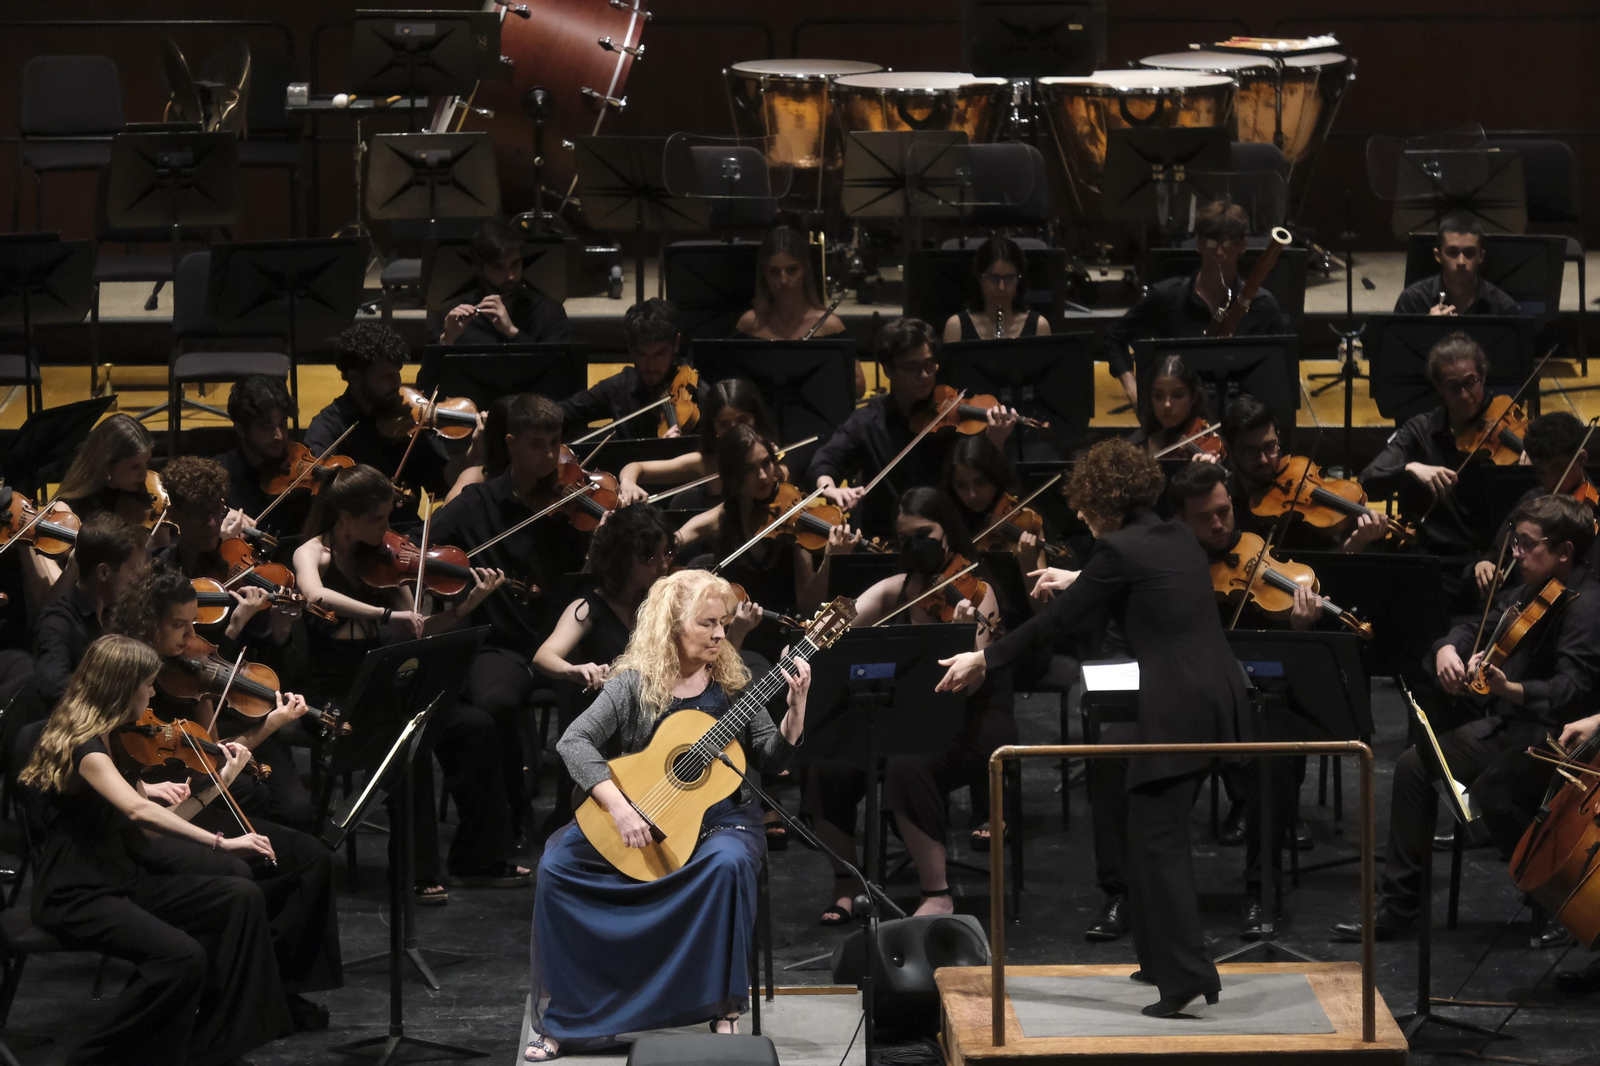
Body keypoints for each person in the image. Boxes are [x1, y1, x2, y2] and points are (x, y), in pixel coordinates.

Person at [936, 438, 1249, 1017]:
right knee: (1146, 826)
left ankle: (1186, 978)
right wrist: (1077, 573)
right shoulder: (1175, 534)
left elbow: (1056, 622)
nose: (1079, 514)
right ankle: (1161, 962)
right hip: (1217, 693)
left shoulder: (1121, 552)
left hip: (1177, 704)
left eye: (1084, 505)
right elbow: (1127, 575)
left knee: (1157, 838)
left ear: (1105, 499)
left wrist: (985, 658)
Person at [526, 569, 811, 1061]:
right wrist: (618, 808)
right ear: (672, 627)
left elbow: (771, 756)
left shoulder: (734, 682)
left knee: (726, 865)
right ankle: (572, 1017)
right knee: (558, 867)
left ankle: (723, 1009)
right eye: (707, 624)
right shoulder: (632, 684)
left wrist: (796, 708)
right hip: (636, 814)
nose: (721, 634)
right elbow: (573, 741)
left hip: (720, 821)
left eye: (723, 623)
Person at [1332, 494, 1600, 943]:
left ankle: (1554, 903)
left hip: (1565, 741)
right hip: (1513, 727)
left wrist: (1508, 688)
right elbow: (1471, 625)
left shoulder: (1586, 606)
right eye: (1514, 541)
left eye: (1526, 544)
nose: (1513, 552)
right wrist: (1447, 650)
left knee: (1495, 793)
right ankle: (1401, 908)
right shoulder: (1529, 590)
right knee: (1415, 766)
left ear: (1564, 552)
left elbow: (1569, 692)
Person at [16, 634, 291, 1064]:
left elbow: (146, 813)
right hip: (76, 894)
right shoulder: (83, 746)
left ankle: (215, 1043)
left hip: (119, 875)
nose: (152, 691)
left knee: (237, 896)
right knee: (182, 958)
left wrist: (200, 784)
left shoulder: (118, 739)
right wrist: (223, 842)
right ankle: (92, 1058)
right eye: (146, 683)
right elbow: (137, 813)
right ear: (121, 687)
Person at [108, 568, 343, 1017]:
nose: (190, 636)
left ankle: (282, 991)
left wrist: (250, 722)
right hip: (170, 822)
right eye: (180, 626)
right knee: (249, 868)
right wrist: (262, 732)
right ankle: (244, 998)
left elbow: (212, 759)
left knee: (311, 857)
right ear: (147, 623)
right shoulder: (127, 680)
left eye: (194, 624)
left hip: (203, 802)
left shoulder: (188, 670)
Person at [293, 463, 527, 901]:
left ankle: (478, 857)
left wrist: (461, 610)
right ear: (346, 518)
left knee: (475, 726)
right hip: (336, 695)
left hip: (391, 687)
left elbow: (419, 628)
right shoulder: (313, 553)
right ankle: (414, 871)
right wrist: (385, 615)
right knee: (409, 740)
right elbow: (314, 595)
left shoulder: (384, 560)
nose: (388, 530)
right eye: (377, 519)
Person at [802, 487, 1010, 924]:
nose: (915, 546)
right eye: (905, 538)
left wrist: (958, 637)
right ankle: (847, 882)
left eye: (924, 534)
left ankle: (937, 894)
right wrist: (818, 631)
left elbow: (968, 689)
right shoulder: (897, 590)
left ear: (947, 532)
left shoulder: (977, 592)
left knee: (906, 764)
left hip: (971, 723)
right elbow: (849, 611)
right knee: (826, 765)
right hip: (903, 719)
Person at [428, 393, 591, 843]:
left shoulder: (571, 505)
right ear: (511, 444)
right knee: (493, 704)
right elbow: (425, 550)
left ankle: (573, 815)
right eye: (537, 444)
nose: (550, 455)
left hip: (566, 638)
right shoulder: (476, 503)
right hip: (503, 644)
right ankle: (510, 814)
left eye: (556, 443)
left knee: (602, 693)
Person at [807, 317, 1019, 540]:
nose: (925, 375)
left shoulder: (955, 418)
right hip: (889, 541)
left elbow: (987, 492)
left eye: (929, 364)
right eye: (912, 367)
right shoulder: (868, 422)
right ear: (888, 370)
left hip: (952, 539)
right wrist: (830, 489)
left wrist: (995, 443)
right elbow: (825, 462)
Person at [532, 502, 673, 832]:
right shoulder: (588, 606)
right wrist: (575, 669)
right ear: (627, 558)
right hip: (602, 731)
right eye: (652, 557)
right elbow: (544, 655)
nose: (663, 565)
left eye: (665, 554)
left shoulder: (655, 605)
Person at [1098, 202, 1288, 409]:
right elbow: (1113, 338)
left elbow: (1280, 372)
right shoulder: (1167, 296)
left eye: (1229, 243)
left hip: (1241, 421)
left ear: (1243, 246)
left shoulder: (1262, 306)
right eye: (1212, 243)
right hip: (1179, 416)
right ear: (1198, 244)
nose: (1220, 253)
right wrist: (1133, 390)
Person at [674, 424, 852, 637]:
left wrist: (829, 560)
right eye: (750, 469)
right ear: (732, 476)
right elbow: (671, 544)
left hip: (785, 634)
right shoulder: (717, 521)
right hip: (734, 639)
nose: (763, 475)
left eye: (766, 463)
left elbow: (808, 608)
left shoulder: (792, 519)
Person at [303, 322, 476, 521]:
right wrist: (369, 488)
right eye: (386, 376)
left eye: (397, 372)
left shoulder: (407, 419)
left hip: (405, 531)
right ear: (355, 378)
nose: (397, 383)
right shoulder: (330, 425)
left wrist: (473, 454)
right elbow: (316, 475)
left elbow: (439, 483)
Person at [1359, 332, 1501, 570]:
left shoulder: (1503, 429)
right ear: (1439, 388)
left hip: (1482, 562)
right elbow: (1367, 481)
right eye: (1453, 386)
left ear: (1483, 377)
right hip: (1425, 559)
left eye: (1471, 382)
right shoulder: (1420, 430)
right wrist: (1409, 468)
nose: (1465, 395)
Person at [1222, 395, 1387, 553]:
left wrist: (1357, 541)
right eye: (1251, 451)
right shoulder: (1223, 505)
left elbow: (1328, 562)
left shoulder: (1302, 508)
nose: (1264, 459)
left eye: (1270, 446)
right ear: (1230, 450)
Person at [1471, 411, 1600, 597]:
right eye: (1541, 472)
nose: (1550, 481)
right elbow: (1499, 552)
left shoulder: (1595, 510)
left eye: (1557, 468)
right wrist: (1485, 563)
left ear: (1581, 459)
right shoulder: (1532, 502)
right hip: (1525, 603)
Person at [31, 514, 149, 712]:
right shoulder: (58, 621)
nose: (141, 578)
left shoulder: (122, 616)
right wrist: (117, 700)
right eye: (135, 570)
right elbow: (53, 686)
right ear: (103, 572)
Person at [735, 226, 864, 398]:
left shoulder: (829, 325)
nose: (783, 280)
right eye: (774, 272)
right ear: (763, 274)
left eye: (792, 270)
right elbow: (728, 386)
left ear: (806, 269)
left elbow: (859, 387)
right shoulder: (749, 324)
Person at [560, 298, 707, 441]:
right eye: (642, 355)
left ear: (676, 344)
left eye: (659, 354)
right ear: (630, 349)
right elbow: (562, 413)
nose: (650, 366)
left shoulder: (696, 395)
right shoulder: (619, 386)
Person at [616, 378, 779, 506]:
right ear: (713, 427)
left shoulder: (770, 459)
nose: (734, 430)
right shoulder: (705, 463)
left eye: (742, 421)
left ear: (756, 419)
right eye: (723, 424)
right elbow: (635, 467)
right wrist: (628, 482)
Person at [438, 219, 571, 345]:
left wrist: (512, 332)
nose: (510, 277)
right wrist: (447, 341)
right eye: (498, 267)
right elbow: (428, 370)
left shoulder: (549, 313)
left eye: (515, 264)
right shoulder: (454, 315)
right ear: (479, 268)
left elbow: (557, 367)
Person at [216, 373, 311, 545]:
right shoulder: (220, 474)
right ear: (241, 429)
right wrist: (218, 513)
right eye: (266, 427)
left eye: (282, 423)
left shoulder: (302, 470)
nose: (279, 436)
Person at [944, 434, 1048, 575]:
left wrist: (1028, 561)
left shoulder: (1022, 517)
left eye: (980, 482)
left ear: (995, 476)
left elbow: (1043, 593)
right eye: (961, 485)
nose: (972, 494)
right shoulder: (950, 521)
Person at [1394, 212, 1519, 317]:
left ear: (1480, 257)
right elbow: (1396, 346)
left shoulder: (1504, 308)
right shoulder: (1412, 301)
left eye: (1469, 253)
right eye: (1452, 253)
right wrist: (1429, 327)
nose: (1461, 262)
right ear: (1438, 256)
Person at [941, 236, 1053, 343]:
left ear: (1019, 280)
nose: (1001, 287)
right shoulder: (956, 327)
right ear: (979, 278)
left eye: (1009, 278)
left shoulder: (1039, 327)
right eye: (993, 278)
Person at [1127, 354, 1217, 459]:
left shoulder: (1209, 440)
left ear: (1194, 397)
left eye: (1177, 396)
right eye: (1159, 396)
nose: (1167, 404)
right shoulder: (1135, 445)